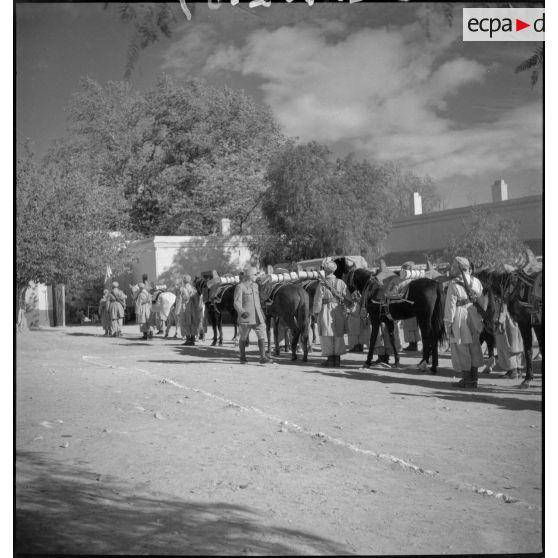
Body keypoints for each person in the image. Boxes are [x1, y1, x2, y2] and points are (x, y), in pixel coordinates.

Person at [443, 256, 484, 388]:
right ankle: (474, 380)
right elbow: (482, 302)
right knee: (475, 347)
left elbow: (450, 306)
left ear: (458, 267)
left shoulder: (454, 283)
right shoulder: (476, 281)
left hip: (460, 315)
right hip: (474, 315)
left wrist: (448, 324)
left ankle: (467, 380)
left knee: (461, 348)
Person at [312, 257, 353, 367]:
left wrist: (316, 312)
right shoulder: (341, 282)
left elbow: (318, 300)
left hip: (325, 309)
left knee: (327, 335)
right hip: (338, 309)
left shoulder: (322, 284)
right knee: (338, 334)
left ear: (325, 270)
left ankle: (330, 360)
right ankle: (337, 360)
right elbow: (348, 298)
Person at [233, 266, 269, 364]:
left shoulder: (255, 286)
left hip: (258, 317)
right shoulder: (240, 287)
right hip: (246, 317)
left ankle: (263, 357)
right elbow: (236, 302)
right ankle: (242, 357)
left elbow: (258, 301)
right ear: (249, 276)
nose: (256, 276)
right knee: (243, 337)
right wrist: (242, 312)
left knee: (261, 335)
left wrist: (262, 313)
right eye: (255, 275)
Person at [493, 298, 524, 379]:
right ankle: (518, 370)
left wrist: (499, 322)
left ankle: (513, 372)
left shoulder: (503, 290)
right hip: (516, 318)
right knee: (515, 346)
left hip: (506, 321)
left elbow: (502, 308)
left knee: (507, 346)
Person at [399, 262, 421, 351]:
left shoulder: (408, 281)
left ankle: (412, 344)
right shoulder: (415, 279)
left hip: (408, 305)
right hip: (414, 305)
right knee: (413, 326)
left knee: (409, 326)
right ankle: (413, 344)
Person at [176, 275, 199, 346]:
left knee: (184, 323)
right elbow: (196, 300)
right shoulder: (193, 289)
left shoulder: (181, 289)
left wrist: (177, 311)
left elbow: (179, 300)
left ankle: (188, 339)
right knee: (193, 323)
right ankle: (192, 339)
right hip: (192, 308)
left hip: (184, 307)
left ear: (183, 280)